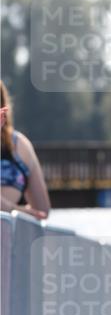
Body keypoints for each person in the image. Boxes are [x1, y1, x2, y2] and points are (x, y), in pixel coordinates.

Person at [0, 81, 50, 220]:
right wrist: (17, 211)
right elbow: (41, 210)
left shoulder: (20, 145)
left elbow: (42, 210)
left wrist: (15, 211)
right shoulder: (21, 144)